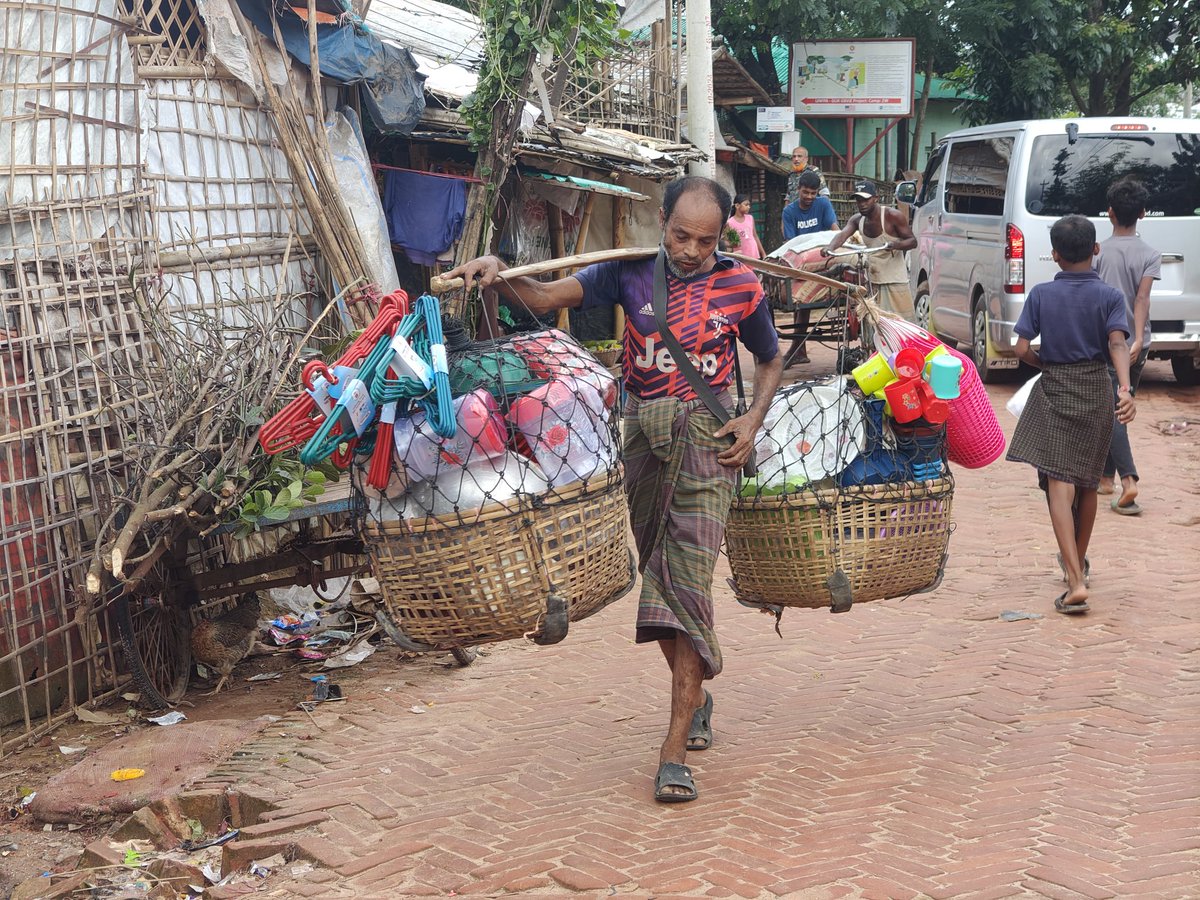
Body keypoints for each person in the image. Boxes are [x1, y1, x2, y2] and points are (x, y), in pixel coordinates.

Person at [444, 176, 784, 803]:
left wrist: (752, 417)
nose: (690, 250)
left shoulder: (742, 285)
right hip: (641, 446)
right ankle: (699, 695)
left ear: (722, 237)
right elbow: (544, 296)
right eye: (681, 236)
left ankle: (674, 748)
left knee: (690, 583)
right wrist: (499, 273)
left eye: (705, 242)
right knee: (659, 584)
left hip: (709, 447)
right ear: (662, 222)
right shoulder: (629, 273)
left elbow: (770, 357)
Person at [1005, 215, 1136, 615]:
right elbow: (1117, 343)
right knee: (1090, 480)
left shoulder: (1042, 295)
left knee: (1059, 485)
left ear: (1055, 255)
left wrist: (1044, 361)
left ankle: (1076, 579)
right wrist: (1125, 389)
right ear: (1095, 250)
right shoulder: (1110, 297)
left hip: (1057, 385)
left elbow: (1021, 348)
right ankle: (1075, 567)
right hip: (1098, 388)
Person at [1094, 176, 1159, 515]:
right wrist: (1134, 340)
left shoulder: (1098, 251)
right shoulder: (1149, 253)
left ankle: (1128, 480)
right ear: (1143, 214)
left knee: (1114, 410)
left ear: (1109, 213)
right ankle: (1105, 479)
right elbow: (1142, 299)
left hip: (1106, 340)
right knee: (1119, 404)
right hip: (1137, 341)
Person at [821, 180, 917, 320]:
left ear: (876, 198)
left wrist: (895, 245)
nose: (862, 204)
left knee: (902, 323)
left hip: (895, 280)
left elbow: (913, 241)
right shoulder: (857, 220)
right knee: (874, 323)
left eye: (866, 200)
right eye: (859, 200)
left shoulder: (892, 216)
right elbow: (842, 235)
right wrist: (830, 248)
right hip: (873, 280)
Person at [780, 169, 840, 365]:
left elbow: (834, 231)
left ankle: (798, 349)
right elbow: (790, 244)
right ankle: (798, 348)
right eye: (806, 192)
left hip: (825, 261)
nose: (809, 197)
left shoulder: (823, 204)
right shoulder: (789, 212)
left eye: (813, 193)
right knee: (800, 302)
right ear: (799, 190)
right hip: (802, 265)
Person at [725, 193, 765, 259]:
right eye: (746, 205)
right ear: (737, 206)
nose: (748, 207)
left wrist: (763, 254)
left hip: (754, 254)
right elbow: (732, 243)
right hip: (741, 257)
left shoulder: (750, 218)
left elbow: (755, 236)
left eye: (749, 205)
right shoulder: (730, 223)